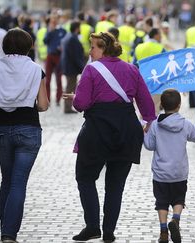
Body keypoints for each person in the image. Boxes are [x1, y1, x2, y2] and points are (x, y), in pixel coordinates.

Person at [63, 32, 156, 242]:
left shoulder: (91, 70)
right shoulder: (132, 69)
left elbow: (81, 104)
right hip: (126, 129)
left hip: (98, 129)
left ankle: (93, 226)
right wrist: (146, 122)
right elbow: (146, 103)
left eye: (93, 47)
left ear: (103, 49)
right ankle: (109, 231)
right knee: (116, 185)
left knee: (85, 178)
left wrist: (76, 97)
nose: (90, 51)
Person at [0, 28, 49, 243]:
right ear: (29, 46)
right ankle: (9, 234)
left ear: (5, 46)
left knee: (6, 181)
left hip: (2, 130)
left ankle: (5, 229)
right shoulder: (35, 69)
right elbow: (42, 105)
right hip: (29, 130)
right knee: (18, 183)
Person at [144, 89, 195, 243]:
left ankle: (164, 232)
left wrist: (144, 132)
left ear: (162, 105)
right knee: (179, 199)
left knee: (162, 202)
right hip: (179, 173)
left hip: (161, 174)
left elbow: (149, 146)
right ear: (179, 105)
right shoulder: (185, 124)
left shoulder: (155, 125)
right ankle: (176, 220)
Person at [60, 21, 85, 113]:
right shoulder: (73, 38)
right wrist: (83, 68)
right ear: (77, 28)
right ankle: (67, 107)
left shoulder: (68, 36)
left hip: (68, 66)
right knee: (70, 87)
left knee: (70, 86)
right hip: (71, 67)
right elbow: (76, 55)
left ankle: (68, 107)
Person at [44, 13, 66, 105]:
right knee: (47, 79)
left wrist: (62, 47)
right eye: (52, 20)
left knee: (59, 78)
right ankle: (47, 99)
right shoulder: (49, 30)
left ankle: (58, 99)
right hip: (50, 55)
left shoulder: (62, 31)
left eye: (55, 19)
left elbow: (65, 41)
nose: (54, 21)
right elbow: (45, 41)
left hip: (59, 56)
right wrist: (49, 31)